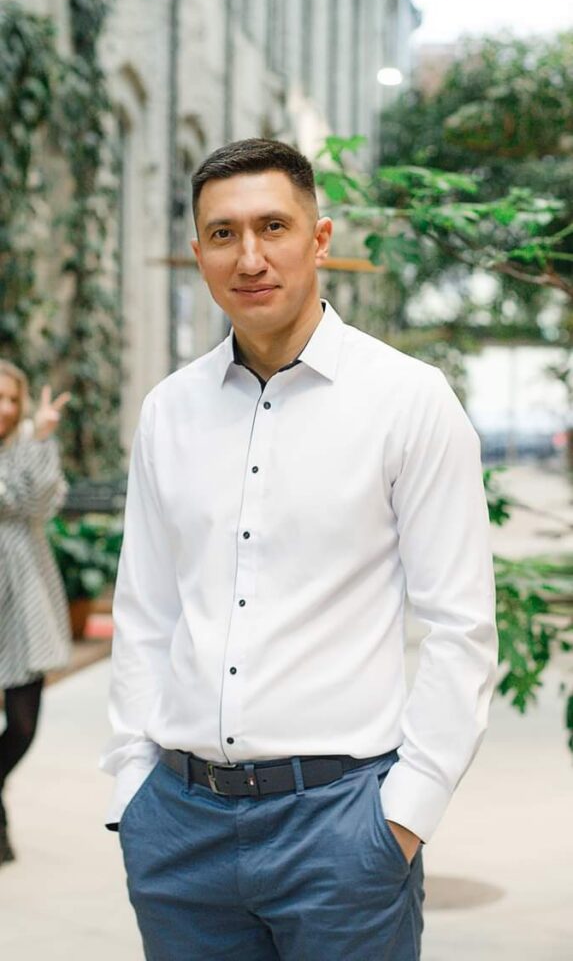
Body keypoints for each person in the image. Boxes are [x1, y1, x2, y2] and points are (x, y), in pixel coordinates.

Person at [101, 138, 498, 960]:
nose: (249, 257)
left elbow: (460, 626)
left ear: (319, 239)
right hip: (178, 827)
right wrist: (132, 787)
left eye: (272, 227)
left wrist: (404, 816)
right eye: (223, 234)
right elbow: (145, 610)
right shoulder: (169, 410)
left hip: (341, 829)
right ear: (198, 253)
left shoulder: (407, 401)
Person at [0, 361, 71, 866]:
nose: (5, 408)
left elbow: (40, 504)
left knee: (23, 724)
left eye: (12, 398)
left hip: (23, 593)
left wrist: (39, 440)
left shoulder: (30, 443)